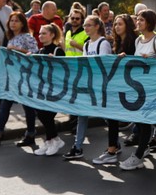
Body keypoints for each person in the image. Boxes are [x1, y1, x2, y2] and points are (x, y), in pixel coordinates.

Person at [119, 9, 156, 168]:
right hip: (139, 88)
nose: (138, 22)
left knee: (144, 121)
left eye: (141, 20)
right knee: (154, 121)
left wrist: (152, 60)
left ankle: (138, 156)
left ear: (149, 23)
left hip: (153, 88)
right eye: (137, 20)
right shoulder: (138, 40)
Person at [0, 11, 39, 148]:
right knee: (4, 105)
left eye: (16, 21)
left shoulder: (27, 37)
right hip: (12, 78)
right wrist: (2, 48)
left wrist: (16, 49)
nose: (13, 23)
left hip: (24, 78)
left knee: (28, 107)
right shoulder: (10, 38)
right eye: (11, 21)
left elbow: (34, 53)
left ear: (23, 23)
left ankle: (30, 134)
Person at [64, 15, 114, 160]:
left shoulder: (103, 43)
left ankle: (114, 143)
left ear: (97, 26)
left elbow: (103, 66)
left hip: (100, 87)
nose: (85, 28)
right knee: (82, 115)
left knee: (107, 117)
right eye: (85, 25)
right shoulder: (87, 44)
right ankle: (77, 146)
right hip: (88, 85)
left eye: (88, 25)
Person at [93, 14, 138, 167]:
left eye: (120, 24)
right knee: (110, 115)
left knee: (145, 122)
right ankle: (113, 149)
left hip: (133, 87)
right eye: (115, 24)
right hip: (119, 86)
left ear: (127, 25)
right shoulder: (116, 43)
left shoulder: (133, 42)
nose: (117, 27)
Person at [32, 24, 67, 156]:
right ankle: (51, 140)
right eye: (40, 33)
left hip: (56, 90)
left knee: (46, 114)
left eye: (44, 33)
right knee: (42, 114)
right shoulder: (40, 51)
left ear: (52, 35)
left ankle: (54, 140)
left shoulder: (58, 51)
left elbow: (64, 69)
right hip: (43, 89)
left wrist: (55, 62)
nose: (40, 36)